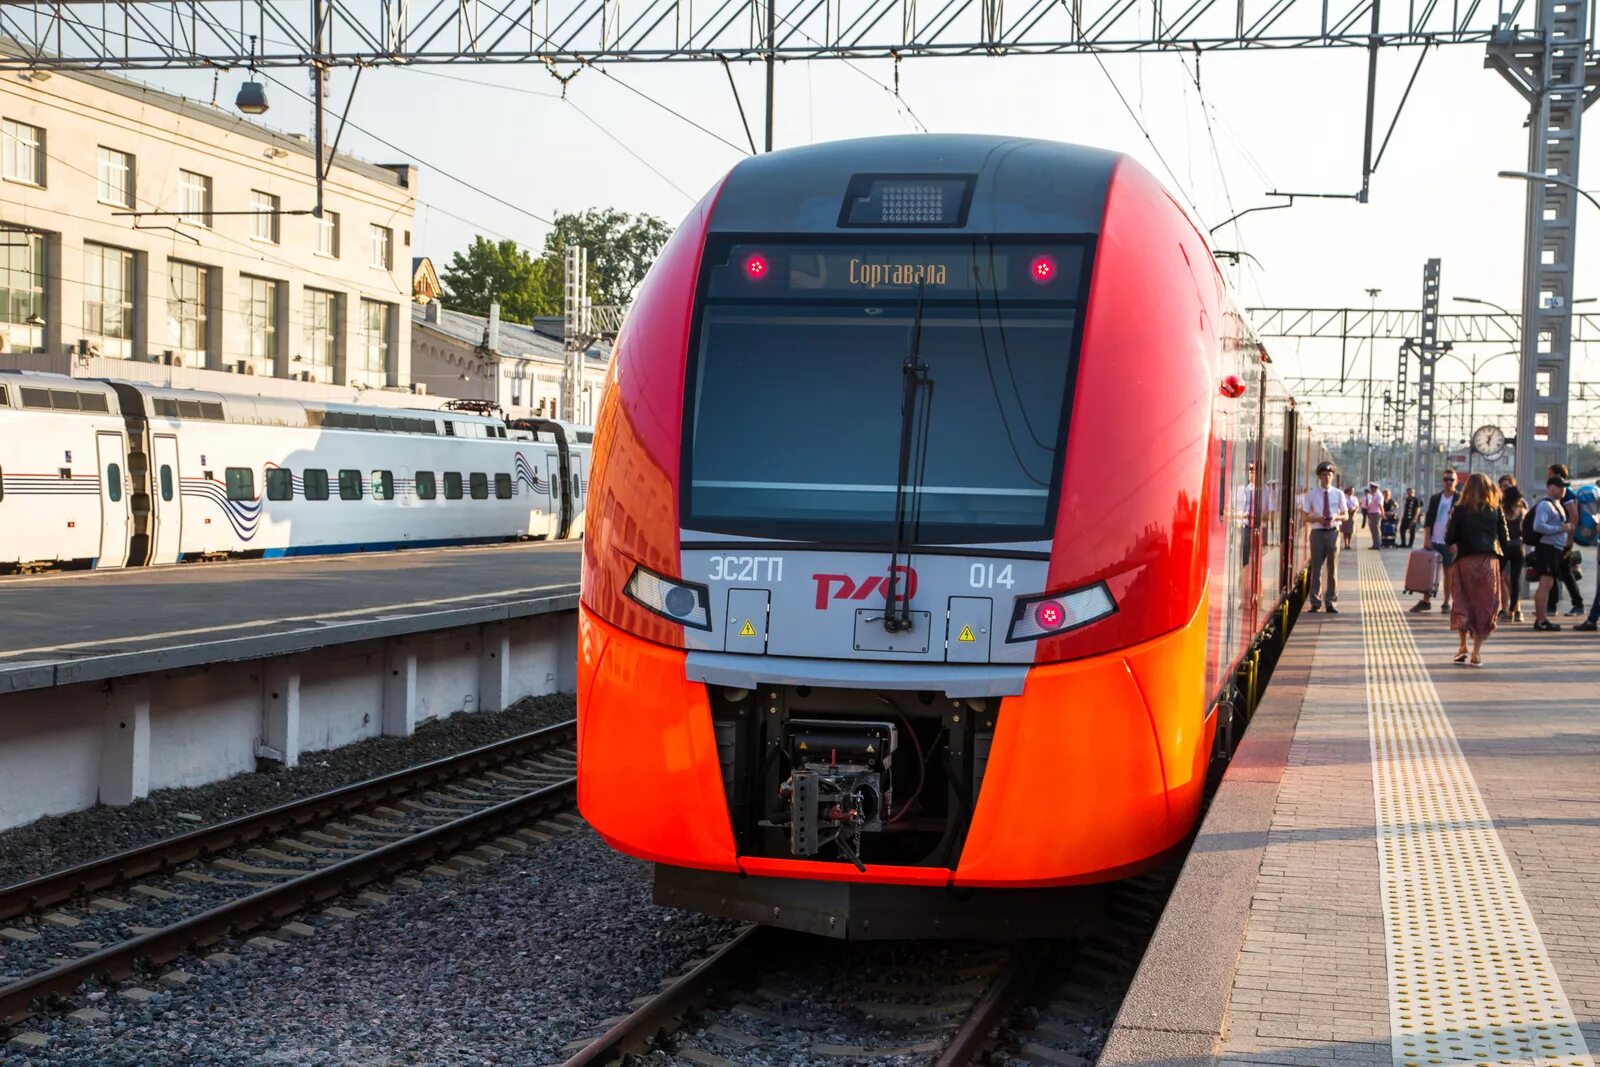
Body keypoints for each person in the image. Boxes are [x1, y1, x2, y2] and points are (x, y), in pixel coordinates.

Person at [1444, 473, 1509, 666]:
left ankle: (1462, 645)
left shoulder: (1460, 510)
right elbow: (1504, 538)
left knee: (1462, 601)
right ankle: (1476, 653)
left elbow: (1449, 538)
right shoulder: (1495, 509)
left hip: (1465, 561)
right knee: (1483, 605)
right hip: (1488, 562)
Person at [1301, 461, 1348, 613]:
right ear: (1319, 477)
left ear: (1333, 476)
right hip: (1317, 534)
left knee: (1332, 569)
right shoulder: (1312, 494)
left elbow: (1346, 515)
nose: (1326, 478)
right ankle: (1315, 602)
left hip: (1333, 532)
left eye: (1329, 475)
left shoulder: (1339, 494)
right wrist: (1318, 519)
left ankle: (1331, 601)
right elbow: (1305, 517)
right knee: (1316, 568)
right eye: (1323, 475)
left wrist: (1336, 516)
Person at [1531, 475, 1576, 632]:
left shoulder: (1556, 504)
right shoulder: (1545, 505)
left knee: (1548, 584)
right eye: (1560, 486)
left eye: (1564, 486)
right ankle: (1541, 620)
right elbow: (1538, 526)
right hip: (1547, 549)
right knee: (1545, 584)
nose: (1563, 490)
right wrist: (1560, 529)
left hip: (1555, 549)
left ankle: (1542, 619)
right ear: (1550, 488)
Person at [1413, 470, 1460, 614]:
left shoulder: (1460, 499)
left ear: (1456, 481)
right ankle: (1426, 600)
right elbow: (1429, 520)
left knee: (1449, 573)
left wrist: (1456, 542)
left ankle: (1446, 602)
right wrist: (1427, 538)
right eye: (1446, 479)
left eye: (1451, 479)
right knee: (1429, 572)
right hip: (1434, 540)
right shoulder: (1435, 498)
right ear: (1442, 481)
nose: (1448, 482)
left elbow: (1462, 523)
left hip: (1449, 543)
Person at [1545, 464, 1585, 617]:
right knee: (1557, 572)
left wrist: (1569, 538)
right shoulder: (1564, 492)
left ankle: (1577, 604)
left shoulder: (1566, 493)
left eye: (1550, 474)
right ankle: (1552, 605)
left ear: (1557, 475)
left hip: (1563, 541)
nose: (1547, 476)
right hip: (1559, 539)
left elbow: (1574, 516)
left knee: (1563, 572)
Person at [1499, 476, 1527, 623]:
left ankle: (1505, 609)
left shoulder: (1502, 509)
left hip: (1505, 547)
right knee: (1515, 580)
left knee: (1497, 576)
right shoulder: (1522, 510)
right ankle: (1512, 611)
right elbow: (1526, 530)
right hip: (1519, 547)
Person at [1364, 482, 1385, 549]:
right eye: (1371, 487)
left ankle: (1377, 544)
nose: (1371, 489)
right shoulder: (1373, 495)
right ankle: (1375, 544)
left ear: (1375, 488)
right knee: (1373, 529)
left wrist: (1382, 513)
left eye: (1372, 487)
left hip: (1376, 514)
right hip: (1371, 513)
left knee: (1375, 529)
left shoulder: (1378, 495)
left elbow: (1380, 505)